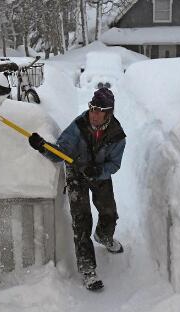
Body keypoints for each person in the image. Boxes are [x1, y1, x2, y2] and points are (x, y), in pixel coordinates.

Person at [27, 87, 126, 291]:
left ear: (108, 113)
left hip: (99, 173)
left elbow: (114, 165)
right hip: (77, 173)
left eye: (99, 110)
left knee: (109, 212)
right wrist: (42, 146)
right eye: (92, 108)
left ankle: (104, 236)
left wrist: (97, 170)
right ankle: (87, 269)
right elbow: (60, 152)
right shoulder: (79, 127)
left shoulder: (117, 136)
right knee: (81, 221)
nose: (93, 113)